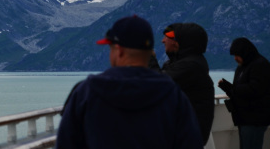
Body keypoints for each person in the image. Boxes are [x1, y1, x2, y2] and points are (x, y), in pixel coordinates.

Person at [57, 15, 203, 149]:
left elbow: (66, 143)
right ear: (149, 52)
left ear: (119, 50)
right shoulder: (173, 95)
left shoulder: (86, 92)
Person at [160, 23, 215, 144]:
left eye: (167, 36)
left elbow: (156, 85)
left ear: (179, 41)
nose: (163, 40)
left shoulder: (191, 66)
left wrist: (146, 58)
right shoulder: (184, 63)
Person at [217, 37, 270, 149]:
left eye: (237, 55)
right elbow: (239, 89)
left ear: (245, 53)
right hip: (244, 118)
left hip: (255, 119)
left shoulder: (260, 65)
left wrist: (232, 88)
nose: (235, 58)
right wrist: (228, 87)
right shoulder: (242, 67)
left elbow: (255, 89)